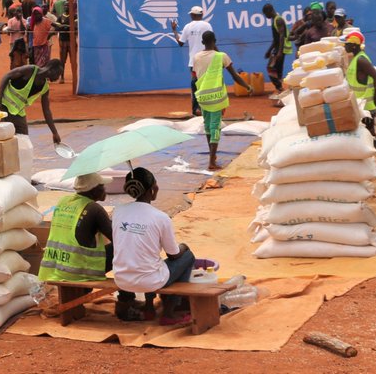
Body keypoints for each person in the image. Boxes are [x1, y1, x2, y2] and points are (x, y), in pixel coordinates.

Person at [112, 167, 196, 324]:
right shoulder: (161, 217)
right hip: (149, 280)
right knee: (188, 257)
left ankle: (149, 308)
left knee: (151, 261)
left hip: (121, 278)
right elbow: (173, 254)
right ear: (152, 189)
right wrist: (184, 247)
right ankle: (169, 313)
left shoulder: (118, 211)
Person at [193, 31, 252, 170]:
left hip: (202, 97)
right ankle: (212, 162)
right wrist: (248, 86)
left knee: (208, 126)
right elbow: (235, 76)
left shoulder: (196, 57)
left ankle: (212, 156)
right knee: (216, 127)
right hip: (216, 97)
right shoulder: (221, 56)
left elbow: (196, 76)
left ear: (202, 43)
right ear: (215, 41)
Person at [38, 173, 112, 284]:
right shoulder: (94, 209)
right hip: (78, 270)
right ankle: (126, 297)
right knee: (126, 246)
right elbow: (117, 237)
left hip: (56, 269)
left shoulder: (63, 202)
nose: (105, 189)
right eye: (102, 186)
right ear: (94, 190)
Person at [0, 59, 63, 143]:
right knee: (2, 137)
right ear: (52, 70)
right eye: (58, 74)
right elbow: (7, 76)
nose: (58, 78)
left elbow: (47, 111)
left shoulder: (45, 88)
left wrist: (54, 133)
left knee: (24, 139)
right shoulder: (30, 70)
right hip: (3, 106)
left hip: (18, 113)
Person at [171, 6, 213, 117]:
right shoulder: (207, 25)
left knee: (195, 85)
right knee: (207, 84)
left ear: (193, 15)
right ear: (202, 14)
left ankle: (196, 110)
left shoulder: (187, 27)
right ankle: (209, 109)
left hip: (194, 61)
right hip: (208, 59)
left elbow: (180, 43)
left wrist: (174, 30)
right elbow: (212, 41)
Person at [343, 31, 376, 113]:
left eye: (347, 43)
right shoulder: (355, 58)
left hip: (366, 107)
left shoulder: (361, 60)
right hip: (359, 104)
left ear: (354, 45)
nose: (344, 46)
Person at [261, 3, 292, 96]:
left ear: (269, 11)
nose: (265, 16)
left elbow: (282, 36)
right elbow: (276, 39)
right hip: (277, 48)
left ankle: (280, 88)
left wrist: (279, 52)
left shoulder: (278, 20)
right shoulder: (274, 20)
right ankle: (280, 89)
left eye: (265, 14)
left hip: (280, 49)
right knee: (277, 70)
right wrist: (269, 51)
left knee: (271, 68)